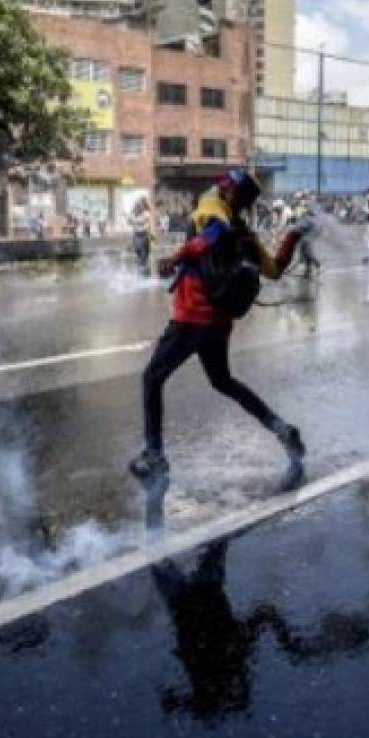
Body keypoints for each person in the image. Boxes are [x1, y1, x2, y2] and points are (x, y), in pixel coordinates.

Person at [128, 169, 308, 495]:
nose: (214, 189)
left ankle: (155, 455)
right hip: (219, 323)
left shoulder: (215, 211)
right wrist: (294, 235)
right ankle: (282, 430)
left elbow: (213, 233)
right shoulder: (247, 235)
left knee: (152, 378)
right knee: (222, 381)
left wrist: (176, 257)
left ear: (227, 193)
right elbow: (277, 269)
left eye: (220, 186)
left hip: (191, 318)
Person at [130, 199, 152, 274]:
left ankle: (144, 268)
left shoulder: (146, 214)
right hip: (137, 236)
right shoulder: (133, 215)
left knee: (144, 254)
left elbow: (144, 223)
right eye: (137, 207)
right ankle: (141, 268)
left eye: (139, 207)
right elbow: (131, 221)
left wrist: (135, 221)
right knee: (139, 252)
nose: (137, 209)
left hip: (144, 235)